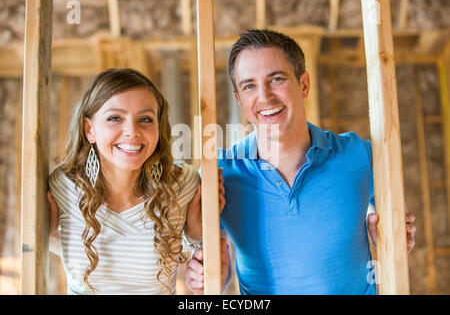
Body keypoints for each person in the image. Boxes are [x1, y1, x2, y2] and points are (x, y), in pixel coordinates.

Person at [185, 29, 416, 295]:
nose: (265, 97)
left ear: (304, 84)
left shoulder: (358, 154)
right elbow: (213, 261)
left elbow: (393, 230)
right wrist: (210, 278)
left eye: (276, 79)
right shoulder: (221, 172)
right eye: (249, 86)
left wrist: (392, 240)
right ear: (239, 99)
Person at [47, 68, 225, 294]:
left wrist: (197, 236)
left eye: (145, 119)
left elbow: (195, 261)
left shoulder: (183, 184)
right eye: (115, 118)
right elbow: (64, 248)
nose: (132, 131)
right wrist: (50, 236)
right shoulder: (63, 185)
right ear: (89, 129)